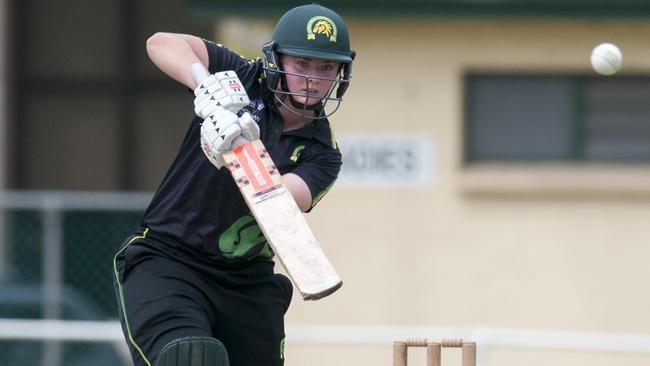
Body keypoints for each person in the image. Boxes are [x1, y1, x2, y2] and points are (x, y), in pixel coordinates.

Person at [112, 3, 355, 366]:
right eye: (301, 64)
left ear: (340, 72)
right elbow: (160, 43)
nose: (311, 78)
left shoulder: (323, 154)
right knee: (191, 357)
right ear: (278, 60)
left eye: (325, 67)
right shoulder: (241, 76)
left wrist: (237, 151)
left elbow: (280, 202)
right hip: (170, 261)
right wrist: (204, 85)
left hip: (247, 285)